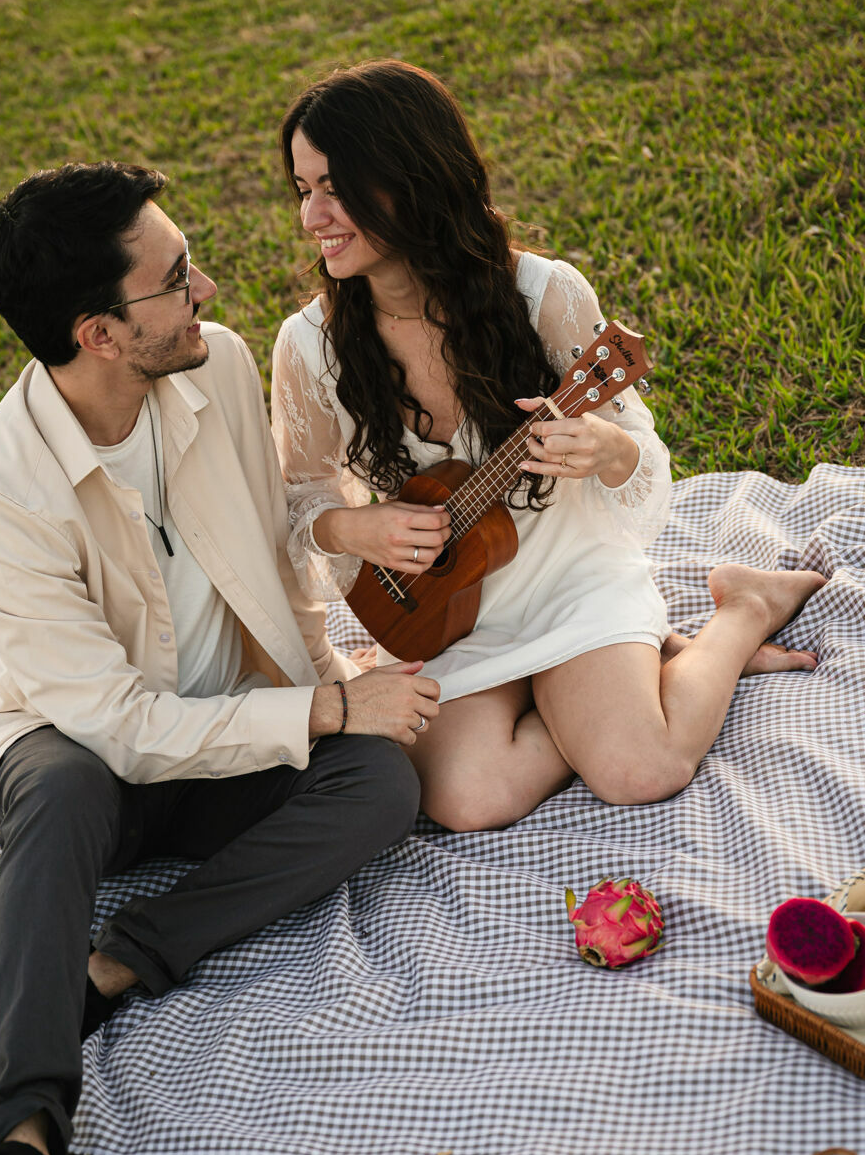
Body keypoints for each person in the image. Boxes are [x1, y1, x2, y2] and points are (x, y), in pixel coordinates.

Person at [0, 160, 438, 1155]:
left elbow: (277, 559)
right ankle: (12, 1147)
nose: (206, 286)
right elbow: (111, 726)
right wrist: (319, 707)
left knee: (379, 785)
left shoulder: (213, 364)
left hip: (225, 737)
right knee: (62, 786)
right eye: (173, 279)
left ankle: (113, 967)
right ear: (99, 333)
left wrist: (335, 691)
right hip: (82, 765)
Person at [270, 60, 824, 834]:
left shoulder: (541, 295)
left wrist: (600, 447)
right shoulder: (310, 346)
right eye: (303, 190)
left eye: (335, 189)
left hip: (570, 580)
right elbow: (300, 499)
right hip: (449, 614)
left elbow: (635, 447)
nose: (312, 218)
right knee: (466, 799)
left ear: (411, 178)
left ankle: (742, 609)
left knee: (639, 769)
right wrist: (352, 527)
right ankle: (628, 669)